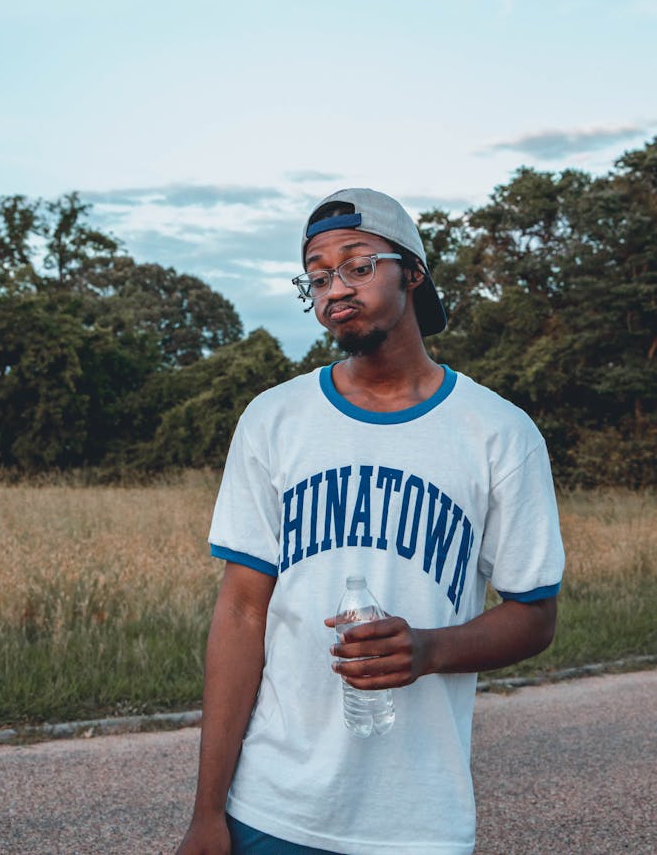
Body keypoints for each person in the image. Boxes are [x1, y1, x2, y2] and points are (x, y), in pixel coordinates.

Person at [178, 188, 565, 855]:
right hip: (274, 805)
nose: (335, 288)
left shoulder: (499, 432)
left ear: (412, 272)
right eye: (319, 275)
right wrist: (208, 812)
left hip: (417, 820)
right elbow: (242, 610)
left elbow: (534, 613)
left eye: (358, 265)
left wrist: (430, 649)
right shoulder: (275, 419)